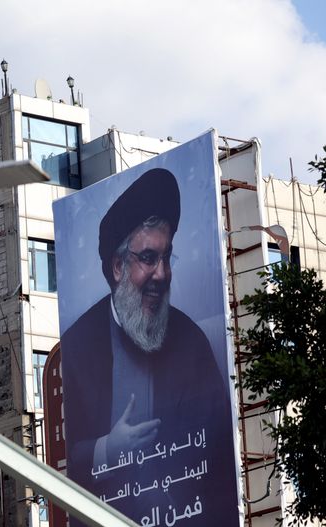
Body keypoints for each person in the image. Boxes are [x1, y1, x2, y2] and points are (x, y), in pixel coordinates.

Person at [61, 168, 237, 525]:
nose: (160, 274)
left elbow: (218, 453)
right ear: (116, 266)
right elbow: (62, 462)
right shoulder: (77, 346)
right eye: (147, 258)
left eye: (166, 257)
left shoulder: (190, 341)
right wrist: (109, 449)